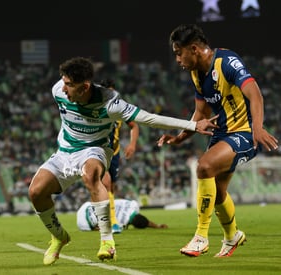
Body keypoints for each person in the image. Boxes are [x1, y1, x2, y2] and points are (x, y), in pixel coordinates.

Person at [28, 56, 218, 266]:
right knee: (35, 192)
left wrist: (192, 125)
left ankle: (107, 242)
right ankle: (59, 237)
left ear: (84, 87)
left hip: (96, 149)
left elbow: (149, 118)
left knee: (90, 175)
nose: (64, 89)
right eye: (63, 82)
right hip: (64, 151)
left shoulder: (110, 103)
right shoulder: (58, 90)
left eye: (69, 85)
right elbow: (63, 91)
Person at [157, 24, 279, 258]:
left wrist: (258, 128)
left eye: (178, 52)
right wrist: (180, 137)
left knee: (204, 166)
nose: (177, 59)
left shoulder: (227, 62)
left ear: (193, 49)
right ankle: (232, 236)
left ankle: (201, 237)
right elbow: (200, 114)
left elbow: (255, 94)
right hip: (222, 133)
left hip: (244, 132)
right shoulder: (196, 73)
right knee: (219, 193)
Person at [100, 79, 140, 234]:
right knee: (106, 183)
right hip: (99, 152)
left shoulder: (119, 108)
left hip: (114, 153)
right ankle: (113, 222)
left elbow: (134, 126)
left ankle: (106, 216)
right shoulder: (96, 108)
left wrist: (132, 144)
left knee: (112, 186)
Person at [77, 198, 168, 231]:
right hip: (85, 222)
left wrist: (157, 226)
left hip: (87, 206)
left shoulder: (132, 205)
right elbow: (145, 222)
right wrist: (157, 226)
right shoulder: (123, 221)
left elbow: (145, 221)